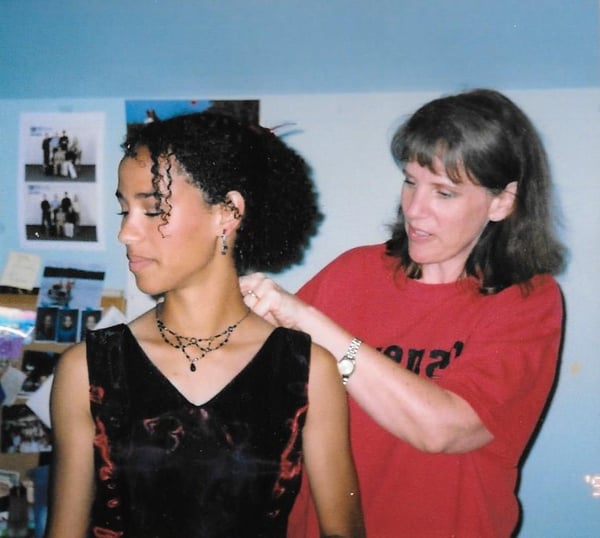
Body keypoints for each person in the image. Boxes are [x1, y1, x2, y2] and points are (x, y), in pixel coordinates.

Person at [240, 88, 566, 538]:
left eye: (444, 193)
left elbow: (445, 430)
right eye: (411, 181)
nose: (414, 209)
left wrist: (312, 323)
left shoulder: (526, 300)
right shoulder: (354, 271)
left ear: (501, 201)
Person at [46, 112, 365, 538]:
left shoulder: (307, 371)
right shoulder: (88, 369)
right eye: (124, 209)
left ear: (227, 214)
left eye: (152, 208)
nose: (126, 232)